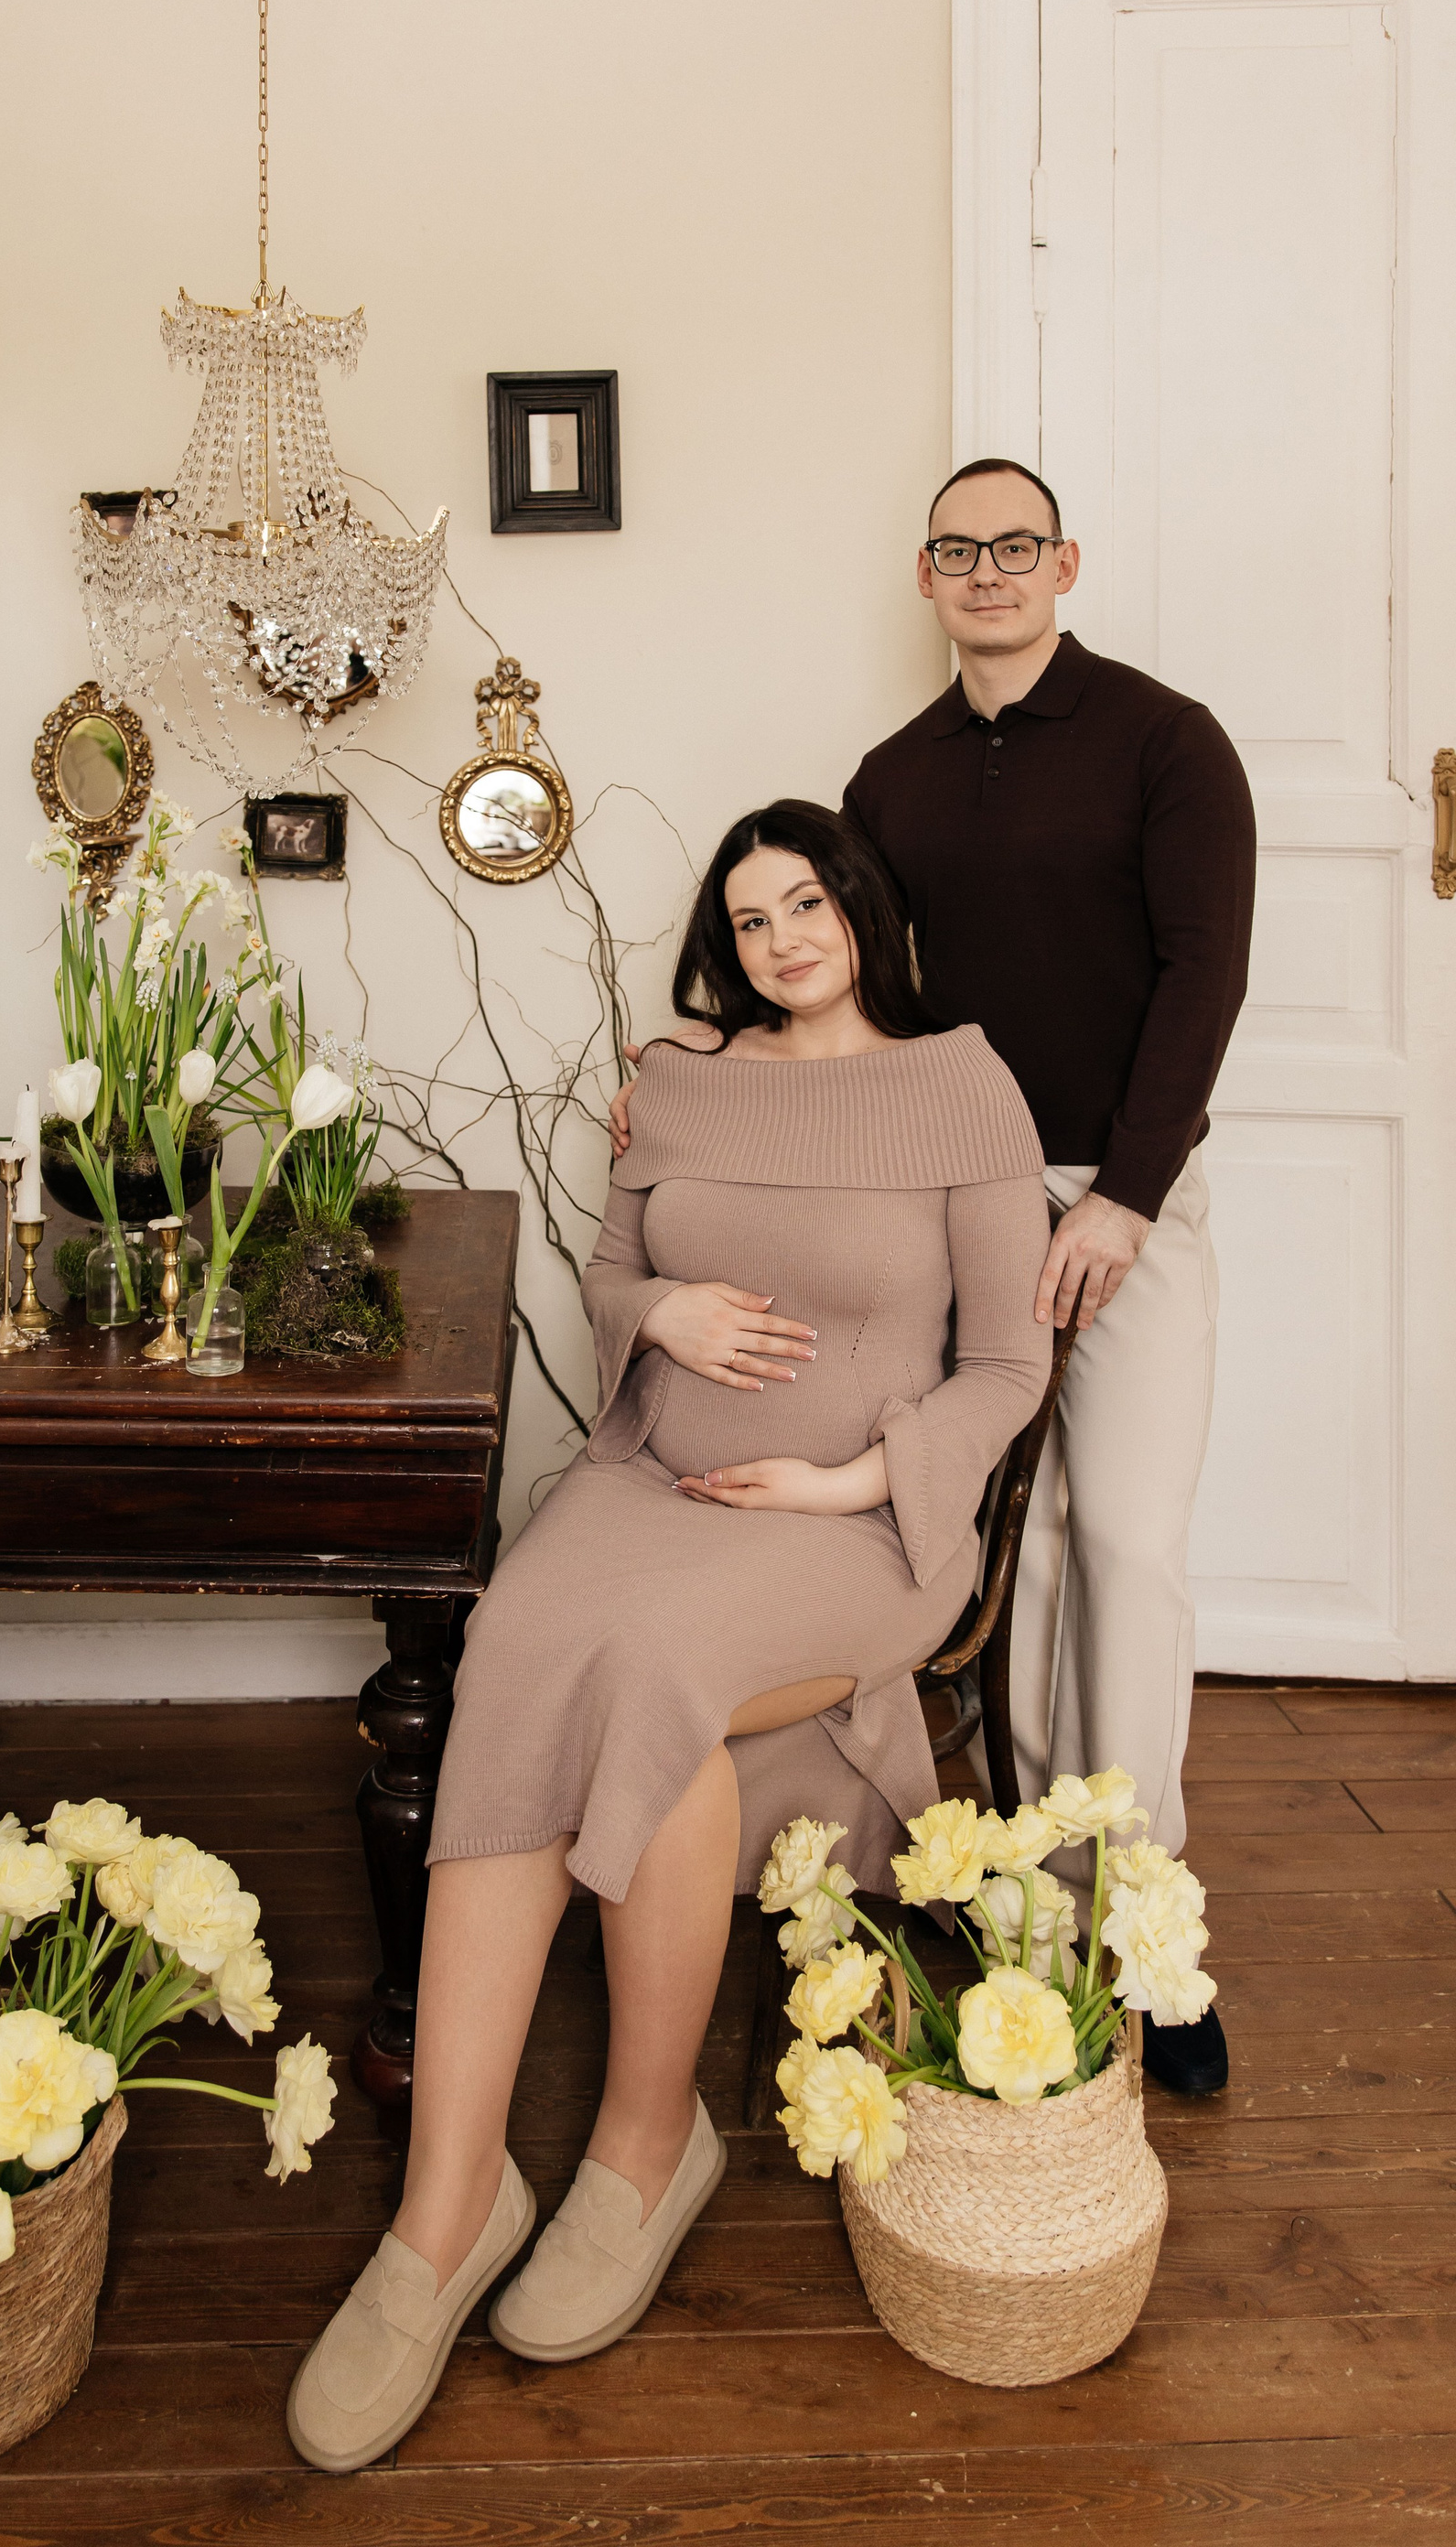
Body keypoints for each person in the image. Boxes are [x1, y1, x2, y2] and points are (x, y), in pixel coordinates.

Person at [287, 801, 1051, 2473]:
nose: (784, 940)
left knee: (650, 1676)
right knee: (511, 1647)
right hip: (652, 1483)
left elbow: (1007, 1364)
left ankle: (644, 2145)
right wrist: (665, 1312)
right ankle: (445, 2212)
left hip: (852, 1531)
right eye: (751, 919)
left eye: (809, 903)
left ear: (864, 908)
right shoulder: (685, 1078)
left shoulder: (964, 1086)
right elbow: (611, 1278)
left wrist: (854, 1474)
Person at [609, 458, 1255, 2099]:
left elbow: (1206, 974)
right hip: (937, 1191)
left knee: (1123, 1544)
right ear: (925, 576)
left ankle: (1148, 1937)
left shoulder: (1168, 743)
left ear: (1065, 564)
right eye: (958, 550)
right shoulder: (892, 777)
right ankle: (1039, 1904)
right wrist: (698, 1070)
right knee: (1010, 1556)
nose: (988, 571)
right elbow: (842, 976)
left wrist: (1124, 1197)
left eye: (1016, 546)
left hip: (1111, 1192)